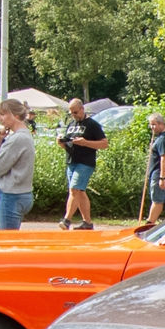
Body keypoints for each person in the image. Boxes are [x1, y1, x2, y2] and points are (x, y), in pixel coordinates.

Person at [58, 98, 109, 230]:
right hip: (71, 161)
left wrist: (85, 142)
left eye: (75, 112)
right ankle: (87, 222)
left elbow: (104, 144)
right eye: (71, 113)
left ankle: (66, 220)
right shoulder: (71, 124)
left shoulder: (92, 125)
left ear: (82, 109)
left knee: (74, 189)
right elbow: (68, 144)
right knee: (80, 192)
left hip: (85, 162)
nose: (74, 115)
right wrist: (62, 143)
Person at [0, 97, 35, 229]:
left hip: (12, 195)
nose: (0, 119)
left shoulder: (17, 139)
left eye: (3, 114)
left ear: (15, 115)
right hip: (23, 193)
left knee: (7, 242)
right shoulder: (25, 135)